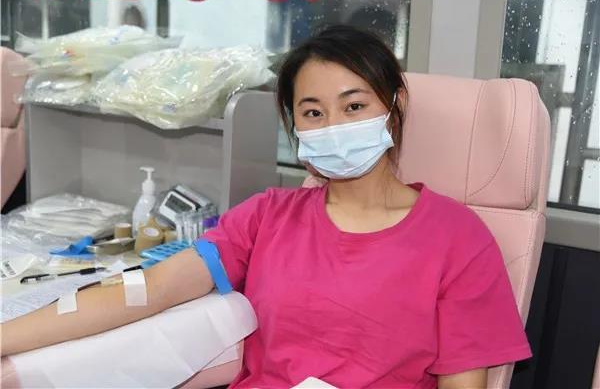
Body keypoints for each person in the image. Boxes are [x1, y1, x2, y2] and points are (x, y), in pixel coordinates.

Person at [1, 25, 532, 388]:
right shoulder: (269, 217)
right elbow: (149, 290)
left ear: (396, 106)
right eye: (313, 112)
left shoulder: (457, 239)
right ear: (293, 125)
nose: (335, 126)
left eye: (354, 106)